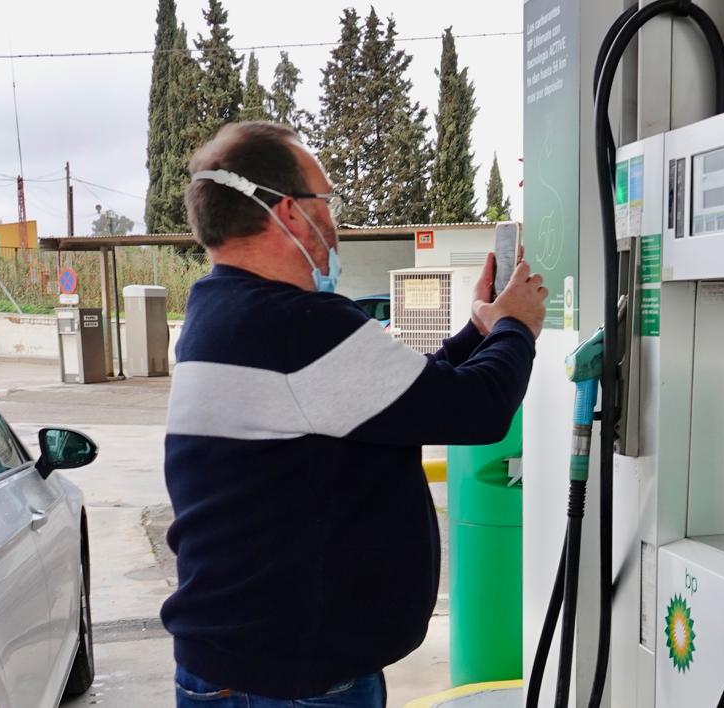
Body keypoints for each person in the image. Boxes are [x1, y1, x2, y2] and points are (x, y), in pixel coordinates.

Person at [162, 121, 546, 707]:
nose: (332, 222)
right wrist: (518, 326)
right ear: (289, 212)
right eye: (326, 201)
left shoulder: (218, 314)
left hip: (233, 663)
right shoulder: (300, 327)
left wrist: (480, 329)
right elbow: (477, 409)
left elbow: (405, 398)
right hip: (296, 680)